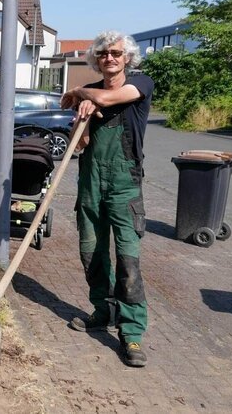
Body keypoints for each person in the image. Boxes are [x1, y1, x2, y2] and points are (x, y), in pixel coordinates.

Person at [60, 31, 154, 368]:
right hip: (91, 184)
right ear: (96, 59)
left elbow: (111, 99)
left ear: (127, 57)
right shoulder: (93, 97)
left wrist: (81, 93)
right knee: (91, 252)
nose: (109, 58)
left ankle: (131, 332)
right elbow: (79, 144)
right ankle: (103, 310)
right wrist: (81, 119)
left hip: (124, 186)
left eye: (116, 53)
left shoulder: (140, 85)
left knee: (127, 260)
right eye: (103, 54)